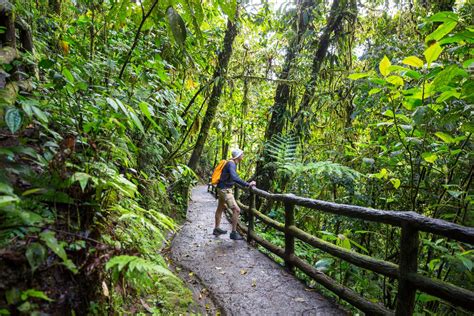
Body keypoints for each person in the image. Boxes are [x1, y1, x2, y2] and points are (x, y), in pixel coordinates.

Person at [213, 148, 256, 240]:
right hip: (225, 190)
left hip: (221, 188)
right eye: (242, 155)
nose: (243, 156)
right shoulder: (231, 164)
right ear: (238, 156)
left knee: (220, 208)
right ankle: (233, 233)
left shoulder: (230, 163)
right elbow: (234, 177)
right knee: (236, 210)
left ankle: (216, 229)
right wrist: (248, 184)